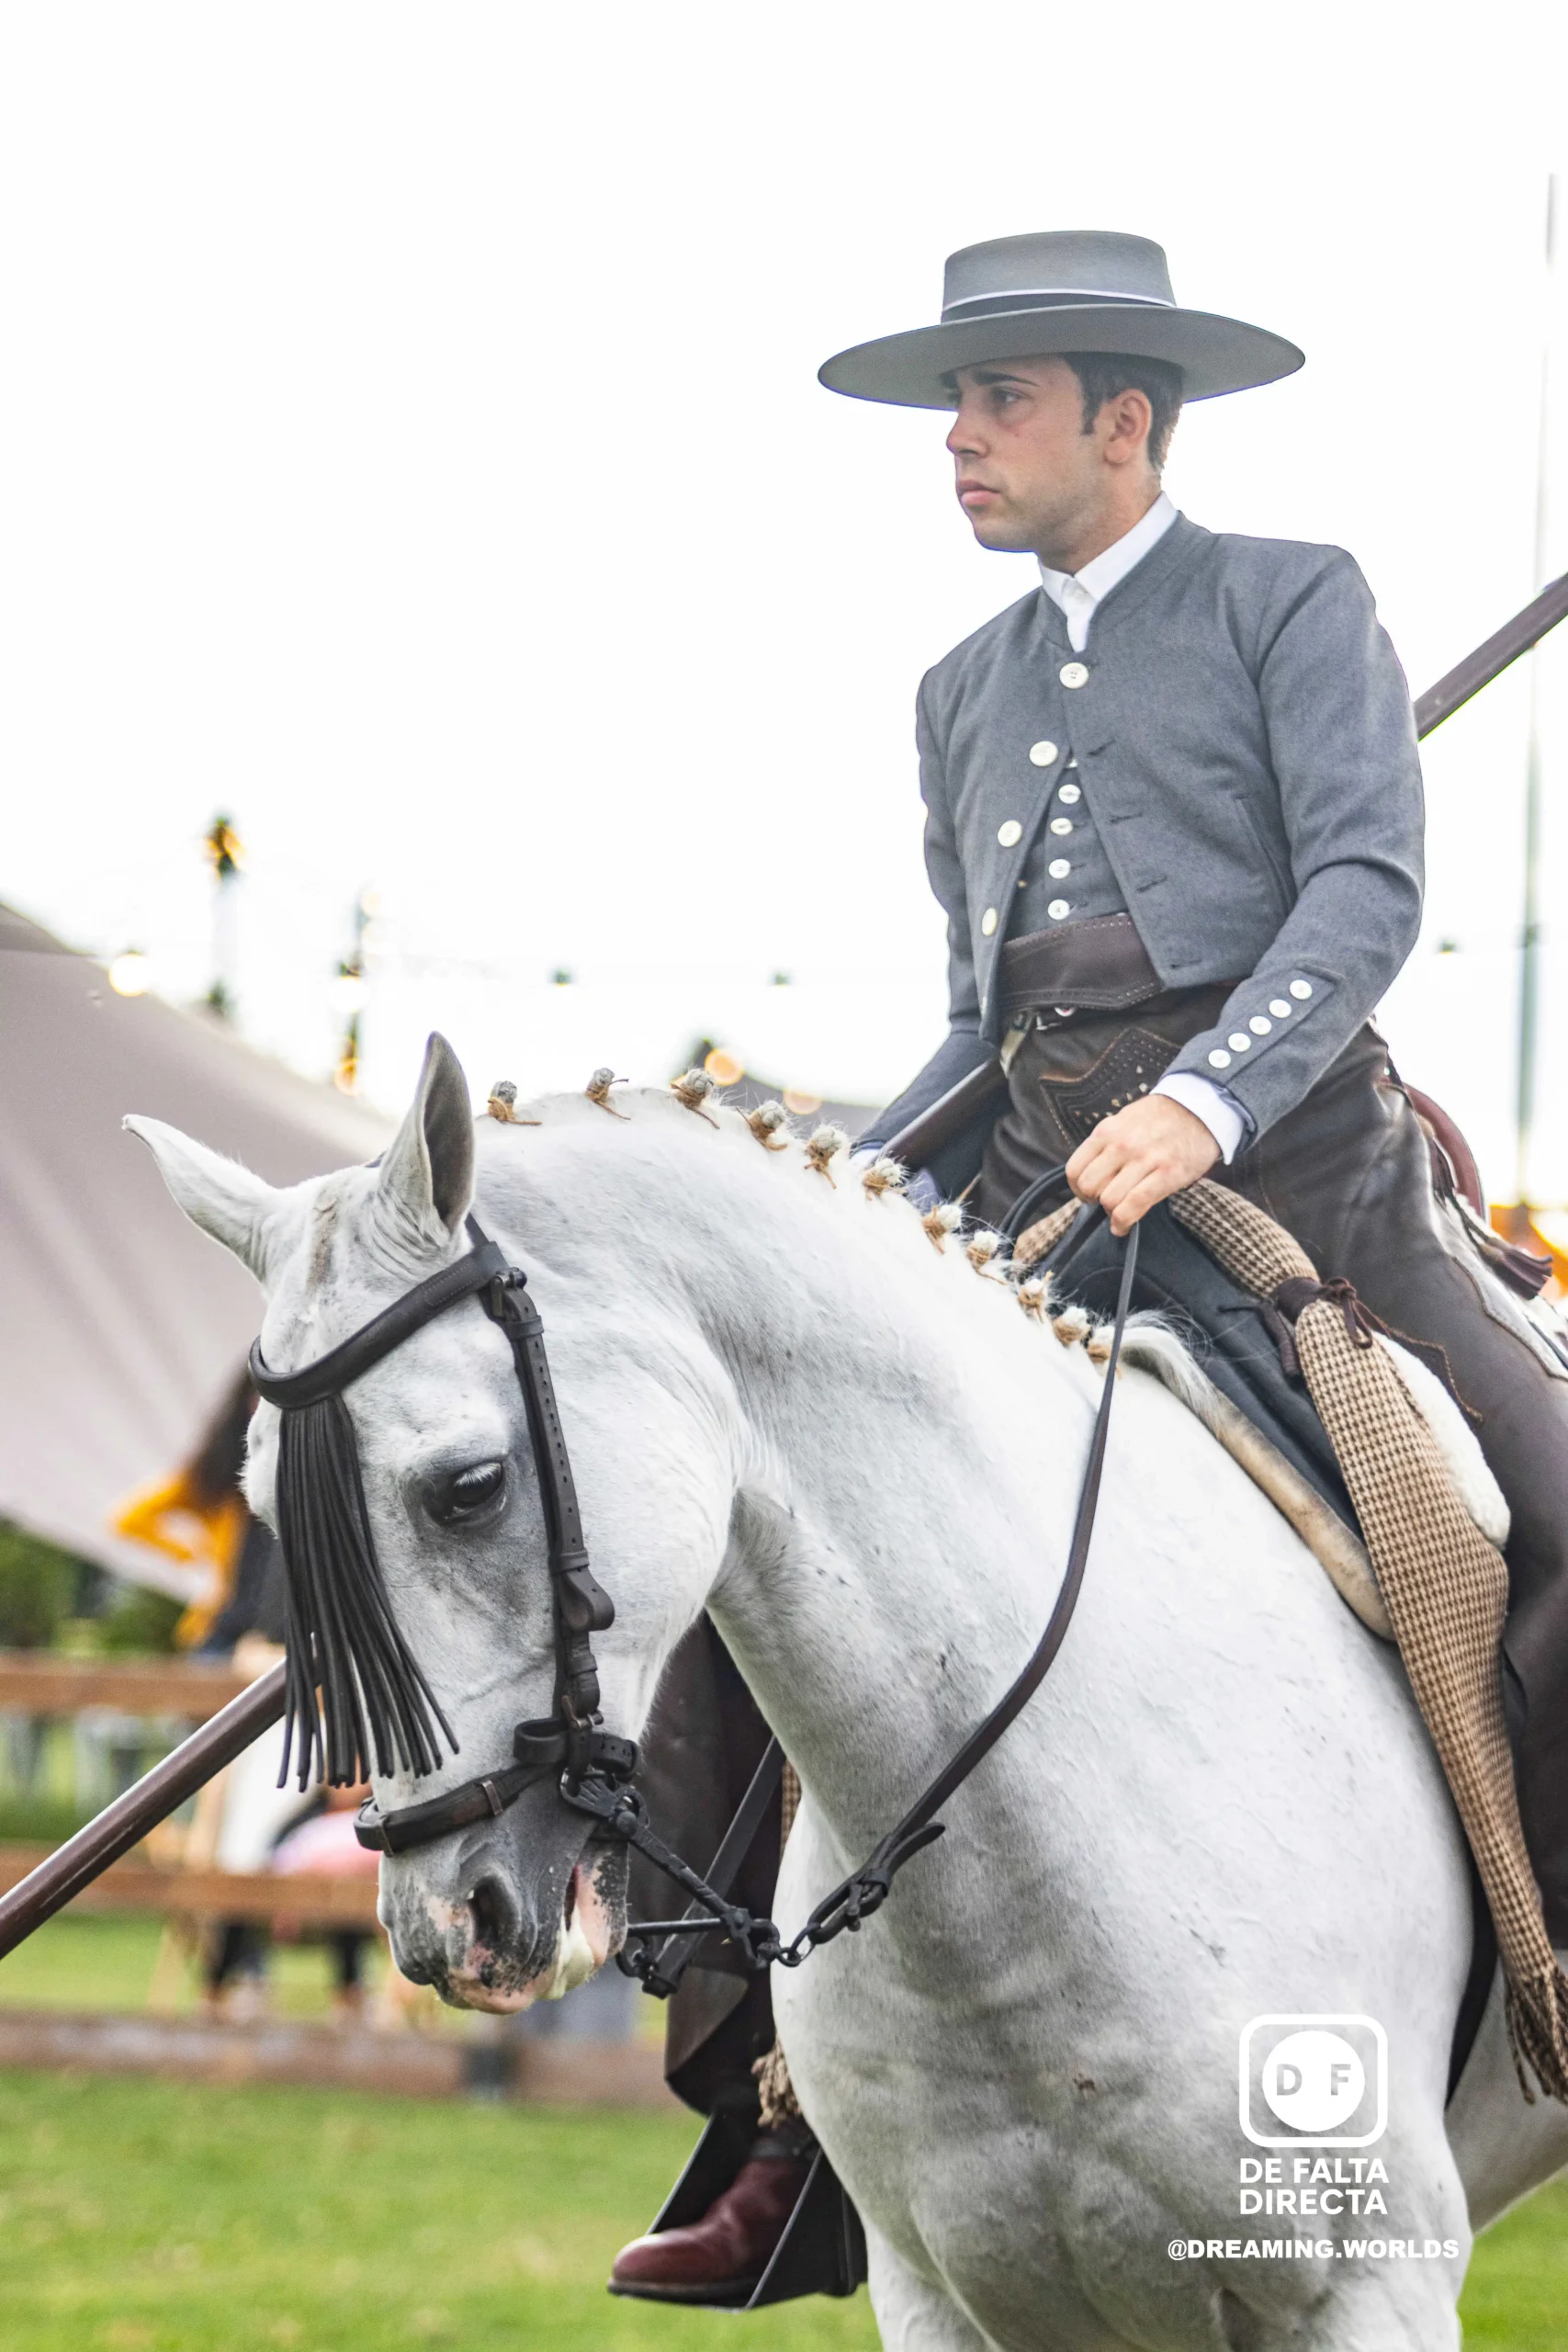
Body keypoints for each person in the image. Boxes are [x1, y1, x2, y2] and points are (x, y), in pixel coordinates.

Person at [611, 225, 1568, 2301]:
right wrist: (829, 1196)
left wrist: (1206, 1098)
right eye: (956, 406)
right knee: (774, 1531)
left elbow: (1362, 891)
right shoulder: (954, 687)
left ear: (1121, 421)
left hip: (1304, 1172)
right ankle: (783, 2117)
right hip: (1033, 1183)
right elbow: (984, 1014)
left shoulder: (1288, 597)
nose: (956, 439)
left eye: (997, 402)